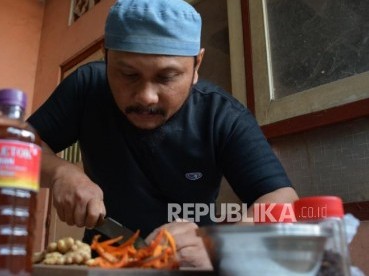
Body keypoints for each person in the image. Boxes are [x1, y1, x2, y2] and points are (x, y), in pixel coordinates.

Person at [27, 0, 298, 269]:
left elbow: (281, 199)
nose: (146, 97)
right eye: (128, 74)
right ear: (105, 55)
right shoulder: (87, 88)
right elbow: (12, 146)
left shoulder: (221, 116)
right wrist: (60, 172)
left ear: (197, 65)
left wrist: (224, 244)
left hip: (190, 264)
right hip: (103, 262)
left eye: (167, 77)